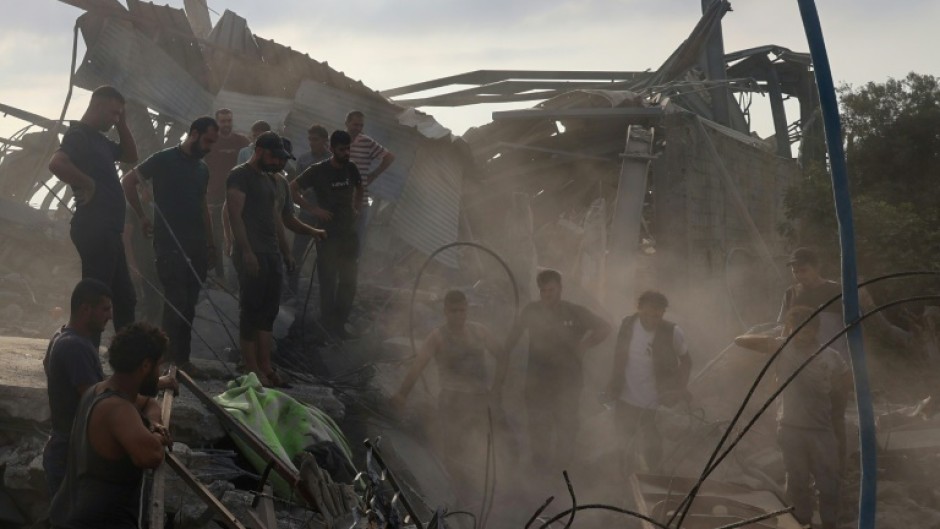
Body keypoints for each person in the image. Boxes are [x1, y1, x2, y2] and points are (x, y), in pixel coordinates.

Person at [49, 322, 173, 529]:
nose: (158, 372)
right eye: (157, 365)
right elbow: (151, 455)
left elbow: (149, 403)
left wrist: (152, 423)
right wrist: (157, 435)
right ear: (145, 366)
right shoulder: (117, 409)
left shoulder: (98, 390)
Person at [122, 116, 219, 376]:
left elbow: (203, 208)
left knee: (189, 304)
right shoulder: (164, 159)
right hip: (169, 244)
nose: (209, 147)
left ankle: (182, 361)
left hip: (196, 245)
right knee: (175, 302)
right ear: (195, 134)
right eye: (207, 140)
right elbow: (128, 182)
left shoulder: (202, 169)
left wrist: (211, 245)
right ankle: (162, 362)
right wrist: (142, 216)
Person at [735, 306, 846, 529]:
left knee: (828, 482)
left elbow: (841, 391)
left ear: (815, 330)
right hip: (790, 427)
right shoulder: (783, 347)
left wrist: (838, 426)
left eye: (808, 330)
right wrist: (781, 335)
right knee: (796, 480)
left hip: (821, 429)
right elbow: (740, 340)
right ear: (791, 329)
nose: (803, 335)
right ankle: (801, 521)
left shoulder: (831, 357)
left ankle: (830, 523)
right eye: (798, 330)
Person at [228, 132, 325, 386]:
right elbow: (234, 216)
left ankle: (266, 366)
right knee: (250, 310)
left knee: (268, 311)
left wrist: (307, 234)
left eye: (280, 158)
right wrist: (246, 251)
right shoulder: (240, 175)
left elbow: (283, 220)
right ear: (259, 150)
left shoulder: (273, 181)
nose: (277, 162)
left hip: (271, 253)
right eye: (273, 156)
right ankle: (251, 369)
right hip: (252, 252)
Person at [391, 290, 506, 502]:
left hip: (480, 399)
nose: (459, 315)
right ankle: (458, 494)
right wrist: (402, 394)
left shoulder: (479, 331)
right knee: (453, 449)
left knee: (483, 445)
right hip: (452, 399)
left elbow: (502, 355)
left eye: (462, 310)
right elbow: (418, 366)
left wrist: (496, 390)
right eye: (454, 311)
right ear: (445, 311)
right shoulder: (438, 337)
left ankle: (484, 492)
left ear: (467, 310)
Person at [48, 85, 139, 340]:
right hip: (95, 228)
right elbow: (57, 162)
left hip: (109, 230)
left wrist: (122, 122)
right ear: (97, 106)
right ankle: (83, 355)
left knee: (125, 298)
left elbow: (131, 155)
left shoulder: (100, 140)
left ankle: (127, 361)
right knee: (96, 301)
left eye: (118, 115)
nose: (115, 119)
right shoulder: (79, 134)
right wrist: (87, 182)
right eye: (113, 113)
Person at [503, 269, 611, 470]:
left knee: (566, 426)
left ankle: (563, 471)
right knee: (538, 426)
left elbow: (605, 327)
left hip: (568, 382)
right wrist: (502, 361)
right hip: (537, 382)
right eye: (543, 291)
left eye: (551, 290)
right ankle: (539, 468)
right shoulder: (531, 311)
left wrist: (585, 345)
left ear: (560, 289)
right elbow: (512, 338)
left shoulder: (574, 311)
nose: (547, 295)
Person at [778, 247, 853, 473]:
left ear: (816, 267)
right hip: (799, 369)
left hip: (832, 367)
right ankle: (806, 471)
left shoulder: (837, 291)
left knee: (833, 418)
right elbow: (784, 328)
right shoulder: (791, 293)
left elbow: (854, 326)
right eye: (795, 271)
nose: (799, 275)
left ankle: (837, 470)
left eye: (803, 270)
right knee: (799, 420)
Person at [604, 290, 692, 472]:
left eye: (657, 316)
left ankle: (652, 479)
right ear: (639, 309)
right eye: (648, 314)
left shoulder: (672, 332)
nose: (652, 320)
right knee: (624, 442)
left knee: (652, 445)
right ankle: (625, 480)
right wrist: (613, 384)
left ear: (663, 313)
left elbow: (686, 361)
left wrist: (680, 388)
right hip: (626, 397)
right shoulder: (627, 325)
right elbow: (619, 356)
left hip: (655, 401)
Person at [290, 130, 363, 339]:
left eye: (349, 149)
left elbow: (360, 188)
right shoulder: (318, 170)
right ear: (332, 149)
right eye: (342, 149)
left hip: (348, 234)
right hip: (327, 234)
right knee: (328, 281)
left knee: (349, 281)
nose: (346, 153)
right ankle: (327, 325)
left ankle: (340, 324)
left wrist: (357, 207)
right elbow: (292, 188)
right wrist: (313, 210)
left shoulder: (351, 168)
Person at [204, 109, 250, 283]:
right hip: (214, 197)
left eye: (229, 120)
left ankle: (237, 276)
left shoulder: (242, 141)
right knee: (216, 237)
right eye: (223, 121)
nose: (226, 124)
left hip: (237, 196)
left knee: (238, 235)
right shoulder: (210, 142)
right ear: (217, 123)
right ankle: (219, 276)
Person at [288, 125, 331, 295]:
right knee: (297, 251)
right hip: (307, 213)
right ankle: (291, 289)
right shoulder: (304, 159)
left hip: (325, 216)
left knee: (325, 256)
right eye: (310, 139)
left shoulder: (332, 160)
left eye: (316, 139)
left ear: (325, 141)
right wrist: (306, 191)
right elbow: (295, 188)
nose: (312, 143)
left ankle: (324, 293)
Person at [345, 111, 394, 251]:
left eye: (361, 125)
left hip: (361, 201)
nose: (358, 128)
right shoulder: (338, 140)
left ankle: (351, 270)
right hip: (341, 199)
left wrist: (373, 175)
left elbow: (389, 157)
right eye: (355, 124)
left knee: (356, 243)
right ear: (347, 123)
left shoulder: (366, 142)